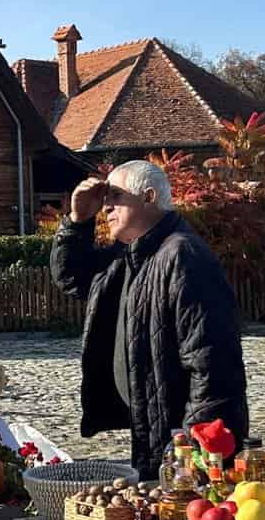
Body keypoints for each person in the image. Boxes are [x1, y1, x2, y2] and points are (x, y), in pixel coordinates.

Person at [49, 161, 248, 474]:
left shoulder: (182, 255)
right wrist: (77, 222)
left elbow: (212, 361)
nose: (106, 208)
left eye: (115, 196)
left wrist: (197, 447)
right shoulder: (130, 255)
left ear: (149, 197)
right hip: (149, 419)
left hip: (180, 436)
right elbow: (73, 278)